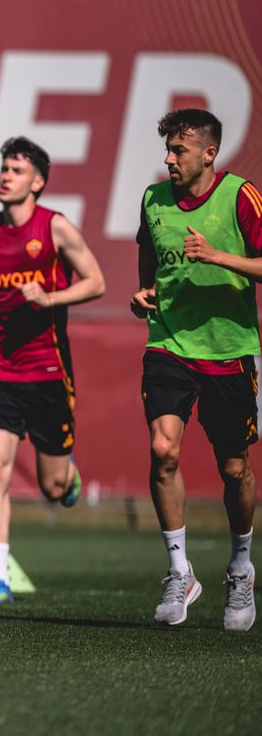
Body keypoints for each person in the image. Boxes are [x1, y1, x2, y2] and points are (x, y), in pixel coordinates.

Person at [0, 136, 104, 605]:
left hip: (49, 373)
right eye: (4, 168)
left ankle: (66, 477)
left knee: (51, 487)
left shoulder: (57, 229)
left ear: (38, 182)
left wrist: (51, 298)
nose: (6, 176)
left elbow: (97, 282)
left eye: (16, 170)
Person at [132, 108, 260, 631]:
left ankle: (240, 566)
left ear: (209, 153)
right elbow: (149, 257)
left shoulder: (241, 195)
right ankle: (180, 570)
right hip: (168, 345)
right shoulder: (153, 199)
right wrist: (144, 294)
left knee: (234, 470)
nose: (169, 159)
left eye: (179, 150)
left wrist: (219, 256)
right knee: (163, 450)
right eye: (166, 149)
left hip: (228, 350)